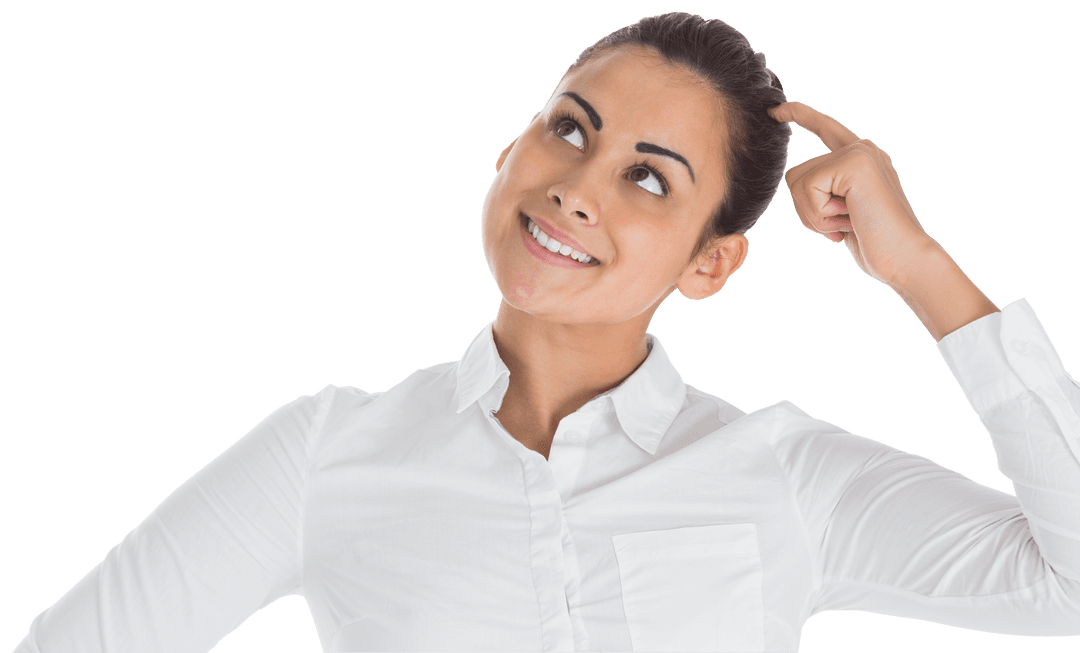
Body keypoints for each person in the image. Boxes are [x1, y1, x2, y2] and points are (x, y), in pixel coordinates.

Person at [12, 10, 1080, 653]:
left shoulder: (783, 474)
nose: (576, 188)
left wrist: (921, 268)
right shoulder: (325, 452)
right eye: (570, 127)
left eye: (648, 179)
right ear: (506, 152)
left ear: (711, 264)